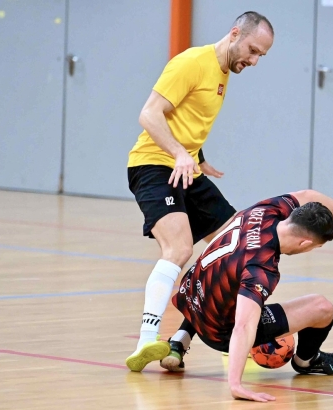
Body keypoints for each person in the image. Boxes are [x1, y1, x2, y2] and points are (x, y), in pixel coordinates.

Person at [125, 12, 275, 371]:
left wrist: (197, 156)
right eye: (252, 50)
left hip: (186, 168)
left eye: (260, 57)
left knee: (240, 247)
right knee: (179, 248)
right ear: (235, 33)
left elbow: (186, 117)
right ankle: (147, 340)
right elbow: (149, 114)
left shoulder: (223, 73)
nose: (252, 61)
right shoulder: (192, 62)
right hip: (153, 165)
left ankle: (182, 339)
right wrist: (179, 153)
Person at [155, 190, 333, 401]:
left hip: (189, 294)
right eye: (314, 247)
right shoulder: (262, 268)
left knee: (228, 279)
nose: (310, 251)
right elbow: (244, 326)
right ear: (305, 242)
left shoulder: (265, 211)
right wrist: (236, 385)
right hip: (217, 331)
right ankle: (307, 361)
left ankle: (181, 337)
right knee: (322, 308)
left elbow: (309, 195)